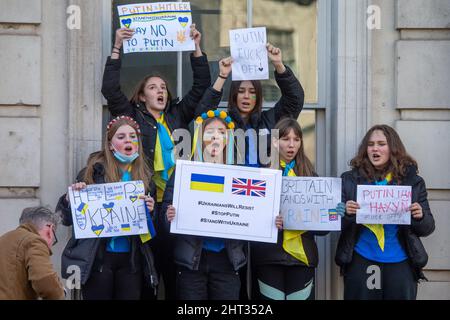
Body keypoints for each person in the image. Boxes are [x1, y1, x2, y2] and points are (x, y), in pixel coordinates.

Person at [101, 24, 211, 299]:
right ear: (141, 95)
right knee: (147, 277)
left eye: (163, 87)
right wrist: (117, 47)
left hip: (175, 205)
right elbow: (110, 90)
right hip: (147, 205)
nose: (160, 91)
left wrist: (196, 48)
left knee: (176, 274)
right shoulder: (133, 116)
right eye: (152, 87)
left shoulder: (177, 115)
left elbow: (201, 88)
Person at [56, 116, 157, 300]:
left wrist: (151, 211)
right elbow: (67, 219)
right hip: (98, 259)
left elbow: (152, 231)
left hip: (131, 260)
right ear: (110, 144)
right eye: (121, 136)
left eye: (133, 136)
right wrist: (70, 199)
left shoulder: (146, 179)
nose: (128, 140)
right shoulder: (93, 173)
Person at [335, 124, 435, 300]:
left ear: (393, 148)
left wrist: (419, 216)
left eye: (381, 144)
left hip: (400, 261)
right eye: (371, 144)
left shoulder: (413, 181)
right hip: (362, 258)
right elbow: (334, 221)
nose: (375, 148)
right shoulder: (349, 180)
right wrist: (347, 213)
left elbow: (427, 228)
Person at [162, 109, 246, 300]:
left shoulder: (240, 174)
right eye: (210, 132)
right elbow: (164, 216)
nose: (216, 136)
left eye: (222, 132)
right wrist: (168, 216)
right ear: (200, 137)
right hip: (191, 261)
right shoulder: (183, 171)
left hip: (227, 260)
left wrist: (268, 220)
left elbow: (251, 214)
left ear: (228, 139)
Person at [251, 118, 327, 300]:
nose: (291, 145)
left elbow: (323, 229)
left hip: (303, 259)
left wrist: (332, 213)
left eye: (296, 139)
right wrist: (270, 220)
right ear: (275, 142)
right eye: (285, 139)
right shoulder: (262, 174)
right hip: (268, 257)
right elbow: (248, 217)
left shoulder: (311, 177)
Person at [226, 43, 305, 167]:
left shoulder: (271, 120)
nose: (246, 96)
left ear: (259, 98)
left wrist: (278, 64)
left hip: (265, 184)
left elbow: (295, 99)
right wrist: (222, 76)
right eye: (241, 91)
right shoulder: (223, 122)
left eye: (252, 92)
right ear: (233, 96)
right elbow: (202, 114)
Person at [0, 206, 64, 300]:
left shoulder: (3, 239)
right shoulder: (34, 241)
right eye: (54, 239)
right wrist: (60, 292)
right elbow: (46, 284)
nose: (50, 245)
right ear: (50, 229)